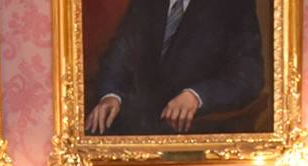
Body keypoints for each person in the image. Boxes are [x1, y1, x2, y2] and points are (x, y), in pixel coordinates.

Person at [86, 0, 264, 135]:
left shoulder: (234, 5)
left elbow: (249, 78)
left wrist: (197, 96)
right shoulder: (145, 3)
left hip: (196, 127)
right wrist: (110, 96)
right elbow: (118, 55)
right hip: (134, 121)